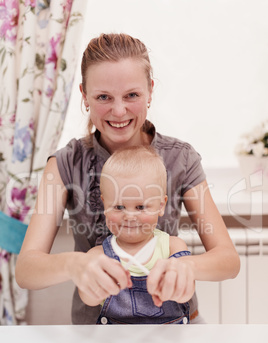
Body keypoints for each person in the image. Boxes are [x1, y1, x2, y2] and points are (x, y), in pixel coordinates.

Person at [15, 33, 240, 325]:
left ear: (150, 91)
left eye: (132, 95)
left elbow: (228, 261)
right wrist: (76, 264)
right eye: (103, 97)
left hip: (175, 331)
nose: (118, 111)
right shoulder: (64, 164)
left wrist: (187, 267)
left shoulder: (181, 159)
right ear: (84, 96)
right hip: (98, 336)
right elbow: (26, 270)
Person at [79, 145, 194, 324]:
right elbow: (87, 298)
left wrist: (174, 285)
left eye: (140, 207)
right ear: (104, 205)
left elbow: (187, 292)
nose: (130, 216)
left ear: (161, 206)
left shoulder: (173, 247)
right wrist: (95, 285)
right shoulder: (98, 256)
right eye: (119, 207)